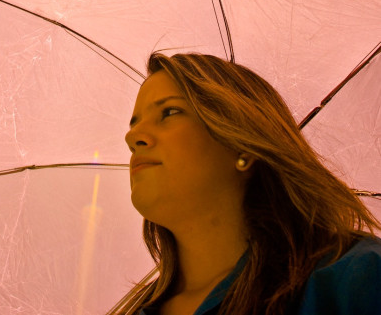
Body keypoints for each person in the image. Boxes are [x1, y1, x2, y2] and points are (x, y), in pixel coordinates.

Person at [107, 52, 381, 315]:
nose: (133, 137)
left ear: (243, 145)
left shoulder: (354, 280)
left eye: (169, 112)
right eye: (134, 123)